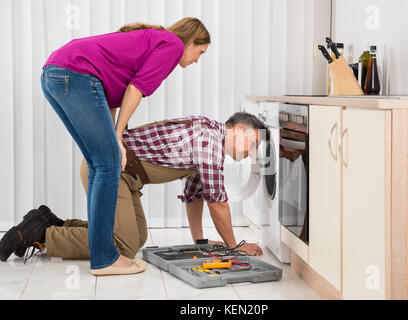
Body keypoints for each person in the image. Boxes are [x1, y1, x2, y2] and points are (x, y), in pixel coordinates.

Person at [37, 17, 210, 276]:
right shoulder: (172, 45)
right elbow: (135, 89)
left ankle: (103, 254)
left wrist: (114, 135)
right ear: (191, 41)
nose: (197, 60)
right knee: (108, 165)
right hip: (74, 75)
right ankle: (105, 259)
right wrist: (117, 136)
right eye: (200, 52)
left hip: (56, 74)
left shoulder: (154, 40)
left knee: (101, 164)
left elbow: (108, 96)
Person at [0, 112, 267, 266]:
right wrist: (235, 247)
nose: (252, 153)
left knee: (137, 236)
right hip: (109, 169)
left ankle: (51, 222)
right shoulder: (211, 142)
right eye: (252, 144)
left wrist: (198, 242)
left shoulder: (209, 137)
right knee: (124, 246)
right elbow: (217, 203)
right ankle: (44, 235)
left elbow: (195, 195)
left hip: (122, 175)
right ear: (239, 129)